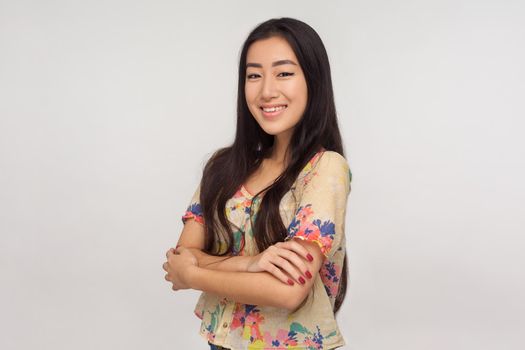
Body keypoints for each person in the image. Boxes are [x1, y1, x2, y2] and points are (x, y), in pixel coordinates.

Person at [162, 17, 352, 350]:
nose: (266, 90)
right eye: (254, 75)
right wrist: (251, 264)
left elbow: (288, 291)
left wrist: (193, 275)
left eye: (284, 73)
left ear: (314, 80)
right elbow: (181, 253)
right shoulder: (223, 168)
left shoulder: (325, 169)